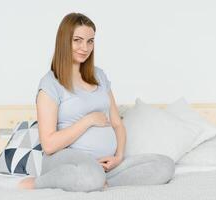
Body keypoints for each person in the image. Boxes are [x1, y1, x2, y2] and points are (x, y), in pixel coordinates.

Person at [18, 12, 175, 192]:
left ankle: (99, 181)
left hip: (106, 165)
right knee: (90, 174)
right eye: (77, 40)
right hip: (67, 159)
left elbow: (117, 124)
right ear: (64, 40)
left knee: (165, 165)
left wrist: (119, 156)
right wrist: (89, 120)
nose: (84, 47)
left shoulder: (99, 76)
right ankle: (37, 183)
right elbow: (49, 144)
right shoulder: (50, 84)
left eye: (90, 41)